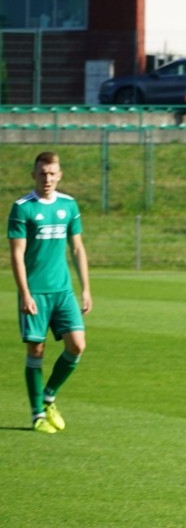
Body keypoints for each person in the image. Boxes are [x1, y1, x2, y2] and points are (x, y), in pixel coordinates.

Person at [7, 151, 92, 434]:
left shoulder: (69, 205)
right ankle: (37, 416)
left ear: (60, 175)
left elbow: (77, 248)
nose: (47, 178)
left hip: (63, 290)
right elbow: (17, 255)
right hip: (35, 292)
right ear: (34, 175)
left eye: (52, 173)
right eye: (42, 173)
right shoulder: (22, 208)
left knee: (77, 345)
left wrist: (86, 289)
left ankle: (49, 397)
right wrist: (25, 293)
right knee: (37, 350)